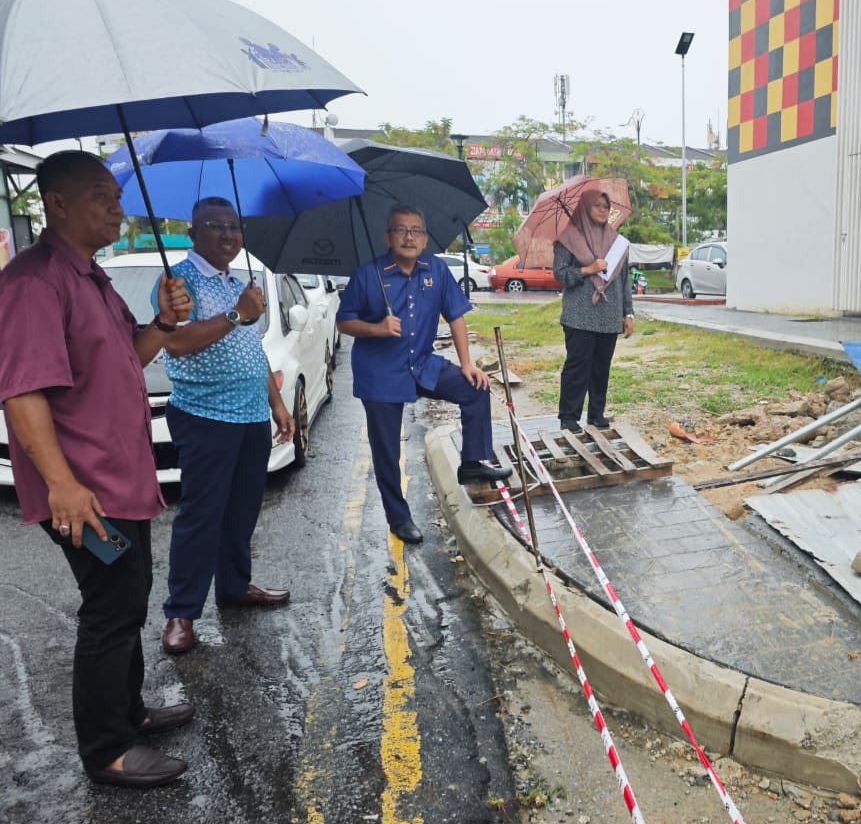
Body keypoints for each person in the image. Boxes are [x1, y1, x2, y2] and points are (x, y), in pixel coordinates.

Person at [0, 151, 194, 788]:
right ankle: (107, 748)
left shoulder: (94, 278)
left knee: (131, 593)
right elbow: (22, 393)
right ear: (55, 202)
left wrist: (164, 324)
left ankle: (128, 712)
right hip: (83, 491)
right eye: (100, 196)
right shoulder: (35, 282)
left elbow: (128, 360)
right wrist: (62, 484)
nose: (117, 207)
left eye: (117, 195)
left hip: (121, 479)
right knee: (112, 606)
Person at [157, 197, 295, 655]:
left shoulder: (239, 283)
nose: (229, 235)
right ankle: (181, 612)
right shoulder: (178, 282)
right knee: (201, 516)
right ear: (193, 232)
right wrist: (237, 313)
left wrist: (277, 404)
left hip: (251, 415)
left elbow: (251, 352)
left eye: (235, 227)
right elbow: (176, 344)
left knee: (241, 512)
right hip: (204, 415)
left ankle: (234, 587)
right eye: (216, 226)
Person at [336, 206, 511, 544]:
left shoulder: (437, 270)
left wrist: (467, 364)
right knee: (386, 448)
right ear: (388, 237)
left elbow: (456, 316)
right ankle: (398, 518)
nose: (409, 237)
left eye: (416, 230)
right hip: (380, 372)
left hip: (422, 363)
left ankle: (473, 461)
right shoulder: (368, 274)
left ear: (426, 237)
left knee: (475, 389)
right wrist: (376, 327)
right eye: (401, 230)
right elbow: (344, 322)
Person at [552, 188, 635, 432]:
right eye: (597, 205)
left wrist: (627, 313)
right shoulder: (569, 238)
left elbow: (624, 280)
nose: (603, 210)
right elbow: (560, 274)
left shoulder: (616, 242)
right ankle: (569, 416)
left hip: (609, 316)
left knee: (601, 367)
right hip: (579, 315)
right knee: (578, 366)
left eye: (606, 206)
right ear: (584, 208)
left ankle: (596, 413)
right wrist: (587, 269)